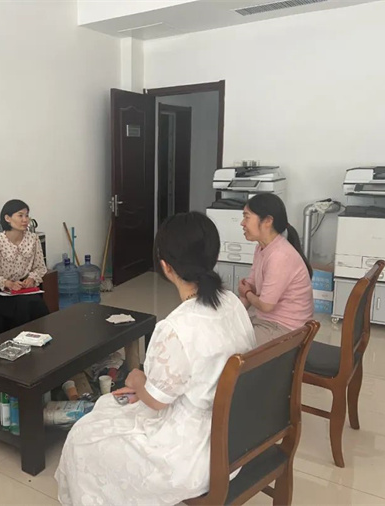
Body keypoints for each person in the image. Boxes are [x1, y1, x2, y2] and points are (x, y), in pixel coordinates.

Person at [55, 212, 256, 506]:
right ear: (213, 257)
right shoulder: (233, 303)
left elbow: (157, 401)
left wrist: (137, 379)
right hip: (236, 432)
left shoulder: (176, 327)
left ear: (166, 266)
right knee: (109, 408)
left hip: (196, 453)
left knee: (85, 435)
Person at [238, 193, 314, 346]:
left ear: (267, 221)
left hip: (287, 330)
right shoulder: (262, 248)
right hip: (267, 322)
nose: (242, 223)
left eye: (247, 217)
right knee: (225, 334)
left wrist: (247, 293)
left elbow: (265, 305)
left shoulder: (279, 255)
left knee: (230, 347)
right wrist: (234, 314)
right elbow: (250, 285)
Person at [0, 199, 49, 328]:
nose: (25, 220)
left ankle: (45, 335)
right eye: (20, 216)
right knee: (24, 305)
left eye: (27, 215)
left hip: (26, 290)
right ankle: (22, 338)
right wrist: (9, 284)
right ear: (7, 218)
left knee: (36, 303)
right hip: (3, 293)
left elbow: (40, 267)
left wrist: (31, 278)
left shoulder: (33, 239)